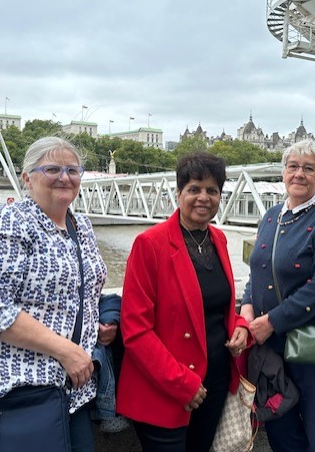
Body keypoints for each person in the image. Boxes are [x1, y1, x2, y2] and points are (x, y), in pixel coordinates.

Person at [0, 136, 112, 452]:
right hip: (25, 392)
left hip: (75, 393)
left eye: (73, 170)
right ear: (27, 177)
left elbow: (80, 291)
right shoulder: (11, 221)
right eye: (52, 168)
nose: (65, 177)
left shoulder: (81, 225)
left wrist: (99, 320)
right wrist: (65, 350)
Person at [117, 151, 252, 452]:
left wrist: (241, 326)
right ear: (178, 194)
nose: (203, 197)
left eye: (212, 191)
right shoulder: (149, 244)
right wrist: (182, 384)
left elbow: (219, 304)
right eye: (194, 189)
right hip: (166, 387)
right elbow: (135, 330)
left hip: (213, 384)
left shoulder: (218, 239)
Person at [240, 140, 315, 452]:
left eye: (309, 168)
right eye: (293, 167)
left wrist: (272, 321)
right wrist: (247, 306)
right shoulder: (272, 216)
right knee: (281, 434)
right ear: (283, 173)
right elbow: (258, 268)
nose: (299, 174)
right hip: (272, 348)